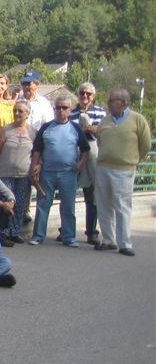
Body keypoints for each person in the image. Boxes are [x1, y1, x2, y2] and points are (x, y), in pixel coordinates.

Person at [94, 88, 151, 256]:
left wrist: (133, 160)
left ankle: (125, 243)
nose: (108, 103)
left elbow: (146, 144)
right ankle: (108, 240)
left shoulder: (137, 120)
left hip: (124, 169)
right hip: (103, 167)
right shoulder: (105, 120)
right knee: (103, 205)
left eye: (111, 100)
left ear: (122, 102)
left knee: (122, 207)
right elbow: (99, 141)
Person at [28, 96, 90, 247]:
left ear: (70, 110)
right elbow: (37, 150)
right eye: (58, 107)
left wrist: (80, 164)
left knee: (68, 206)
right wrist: (33, 170)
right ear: (54, 109)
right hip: (47, 173)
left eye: (64, 107)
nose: (61, 110)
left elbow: (86, 149)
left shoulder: (75, 128)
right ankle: (38, 236)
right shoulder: (46, 127)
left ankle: (69, 237)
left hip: (68, 173)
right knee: (43, 205)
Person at [69, 82, 107, 245]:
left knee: (92, 194)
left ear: (94, 96)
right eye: (82, 93)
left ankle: (92, 231)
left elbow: (102, 131)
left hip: (93, 151)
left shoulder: (100, 112)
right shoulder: (71, 112)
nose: (85, 96)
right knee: (67, 194)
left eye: (88, 94)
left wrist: (85, 129)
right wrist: (88, 128)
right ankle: (67, 231)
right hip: (73, 151)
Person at [0, 101, 36, 243]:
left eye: (20, 111)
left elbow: (37, 154)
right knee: (6, 203)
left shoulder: (33, 132)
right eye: (15, 110)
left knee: (19, 205)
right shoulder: (6, 130)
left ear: (28, 114)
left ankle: (15, 232)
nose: (17, 113)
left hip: (24, 175)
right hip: (5, 174)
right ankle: (4, 232)